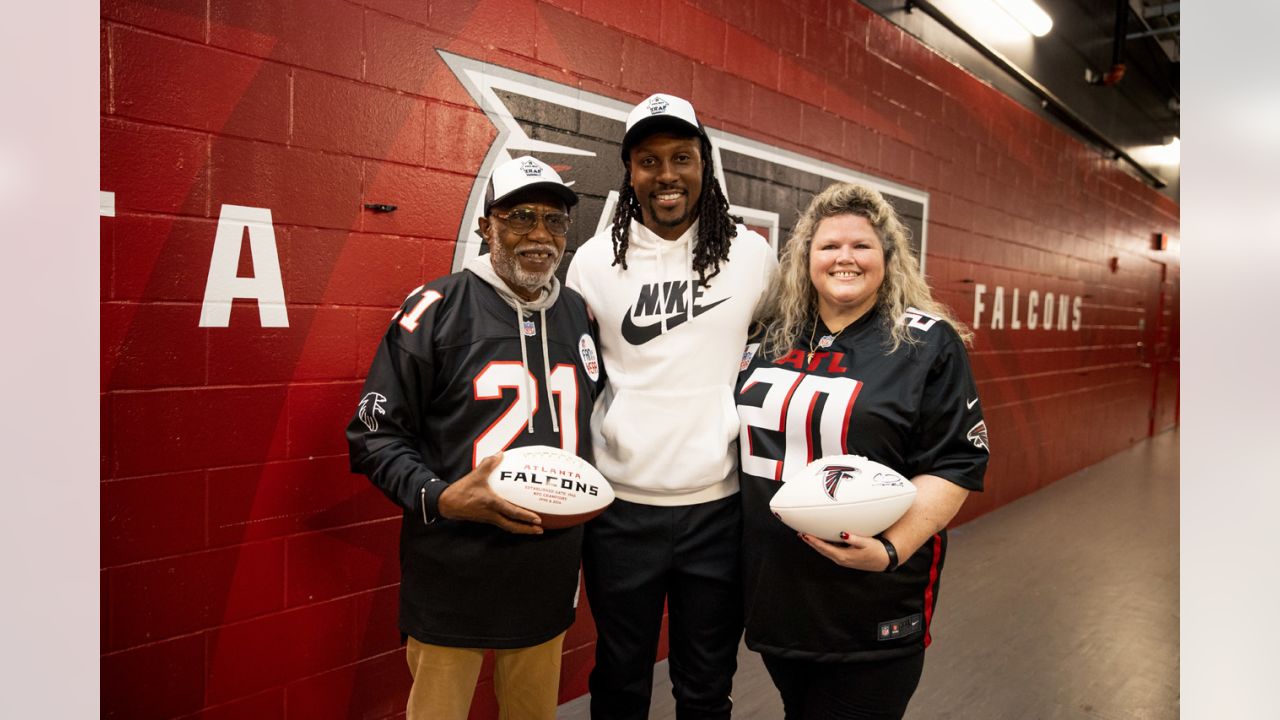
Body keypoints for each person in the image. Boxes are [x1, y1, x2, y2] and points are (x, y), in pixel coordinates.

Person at [346, 155, 604, 720]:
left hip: (547, 565)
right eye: (521, 217)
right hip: (452, 566)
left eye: (555, 221)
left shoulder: (580, 316)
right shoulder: (434, 309)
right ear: (488, 226)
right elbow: (373, 437)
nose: (540, 235)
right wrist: (440, 496)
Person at [735, 182, 989, 719]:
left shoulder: (926, 342)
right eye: (829, 246)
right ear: (806, 258)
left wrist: (892, 549)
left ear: (887, 258)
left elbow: (957, 462)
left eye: (861, 246)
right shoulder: (770, 335)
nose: (844, 258)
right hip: (778, 592)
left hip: (872, 597)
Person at [566, 93, 777, 719]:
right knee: (620, 676)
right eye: (649, 160)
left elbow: (776, 350)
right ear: (629, 172)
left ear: (703, 165)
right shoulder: (593, 262)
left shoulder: (750, 255)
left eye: (682, 157)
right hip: (621, 511)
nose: (666, 176)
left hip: (717, 509)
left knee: (707, 681)